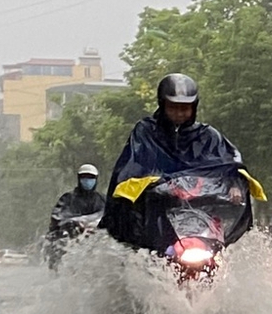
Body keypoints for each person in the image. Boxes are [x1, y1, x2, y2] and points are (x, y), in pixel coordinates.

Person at [101, 73, 249, 252]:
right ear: (162, 105)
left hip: (201, 210)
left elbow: (230, 163)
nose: (180, 113)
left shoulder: (208, 136)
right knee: (150, 243)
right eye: (174, 107)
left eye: (185, 108)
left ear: (194, 108)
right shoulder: (146, 132)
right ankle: (146, 267)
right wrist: (151, 184)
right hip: (158, 211)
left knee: (221, 250)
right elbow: (132, 165)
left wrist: (234, 185)